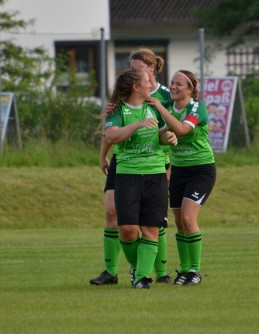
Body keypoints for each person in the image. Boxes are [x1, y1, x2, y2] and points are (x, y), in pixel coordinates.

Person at [90, 48, 172, 286]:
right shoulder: (121, 104)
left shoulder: (162, 97)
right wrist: (103, 156)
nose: (133, 71)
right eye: (131, 68)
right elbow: (111, 135)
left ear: (151, 68)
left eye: (138, 68)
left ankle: (157, 273)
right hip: (126, 166)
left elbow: (171, 127)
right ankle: (115, 270)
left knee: (153, 224)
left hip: (156, 164)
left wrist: (171, 147)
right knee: (115, 216)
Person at [148, 70, 216, 286]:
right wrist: (165, 136)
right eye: (172, 83)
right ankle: (185, 270)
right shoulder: (169, 108)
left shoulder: (197, 107)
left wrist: (159, 108)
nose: (174, 87)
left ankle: (195, 271)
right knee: (179, 222)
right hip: (178, 170)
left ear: (190, 88)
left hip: (201, 170)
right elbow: (163, 136)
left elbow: (182, 129)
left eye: (179, 84)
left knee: (188, 218)